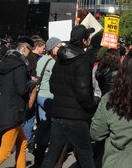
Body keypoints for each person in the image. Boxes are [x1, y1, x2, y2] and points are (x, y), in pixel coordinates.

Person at [41, 25, 99, 168]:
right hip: (76, 115)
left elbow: (53, 86)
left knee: (52, 154)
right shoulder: (82, 59)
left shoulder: (60, 58)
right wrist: (92, 105)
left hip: (58, 114)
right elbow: (83, 92)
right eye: (88, 38)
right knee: (86, 155)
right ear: (84, 40)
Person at [0, 39, 36, 168]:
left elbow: (2, 86)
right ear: (24, 48)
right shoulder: (19, 65)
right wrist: (33, 83)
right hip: (14, 111)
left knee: (23, 143)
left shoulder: (4, 62)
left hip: (7, 108)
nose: (29, 54)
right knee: (6, 152)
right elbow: (22, 89)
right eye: (29, 50)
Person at [33, 37, 64, 166]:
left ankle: (37, 145)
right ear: (52, 48)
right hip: (48, 95)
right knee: (53, 123)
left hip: (39, 95)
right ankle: (41, 148)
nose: (61, 49)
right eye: (59, 47)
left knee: (44, 123)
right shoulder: (52, 62)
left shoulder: (41, 60)